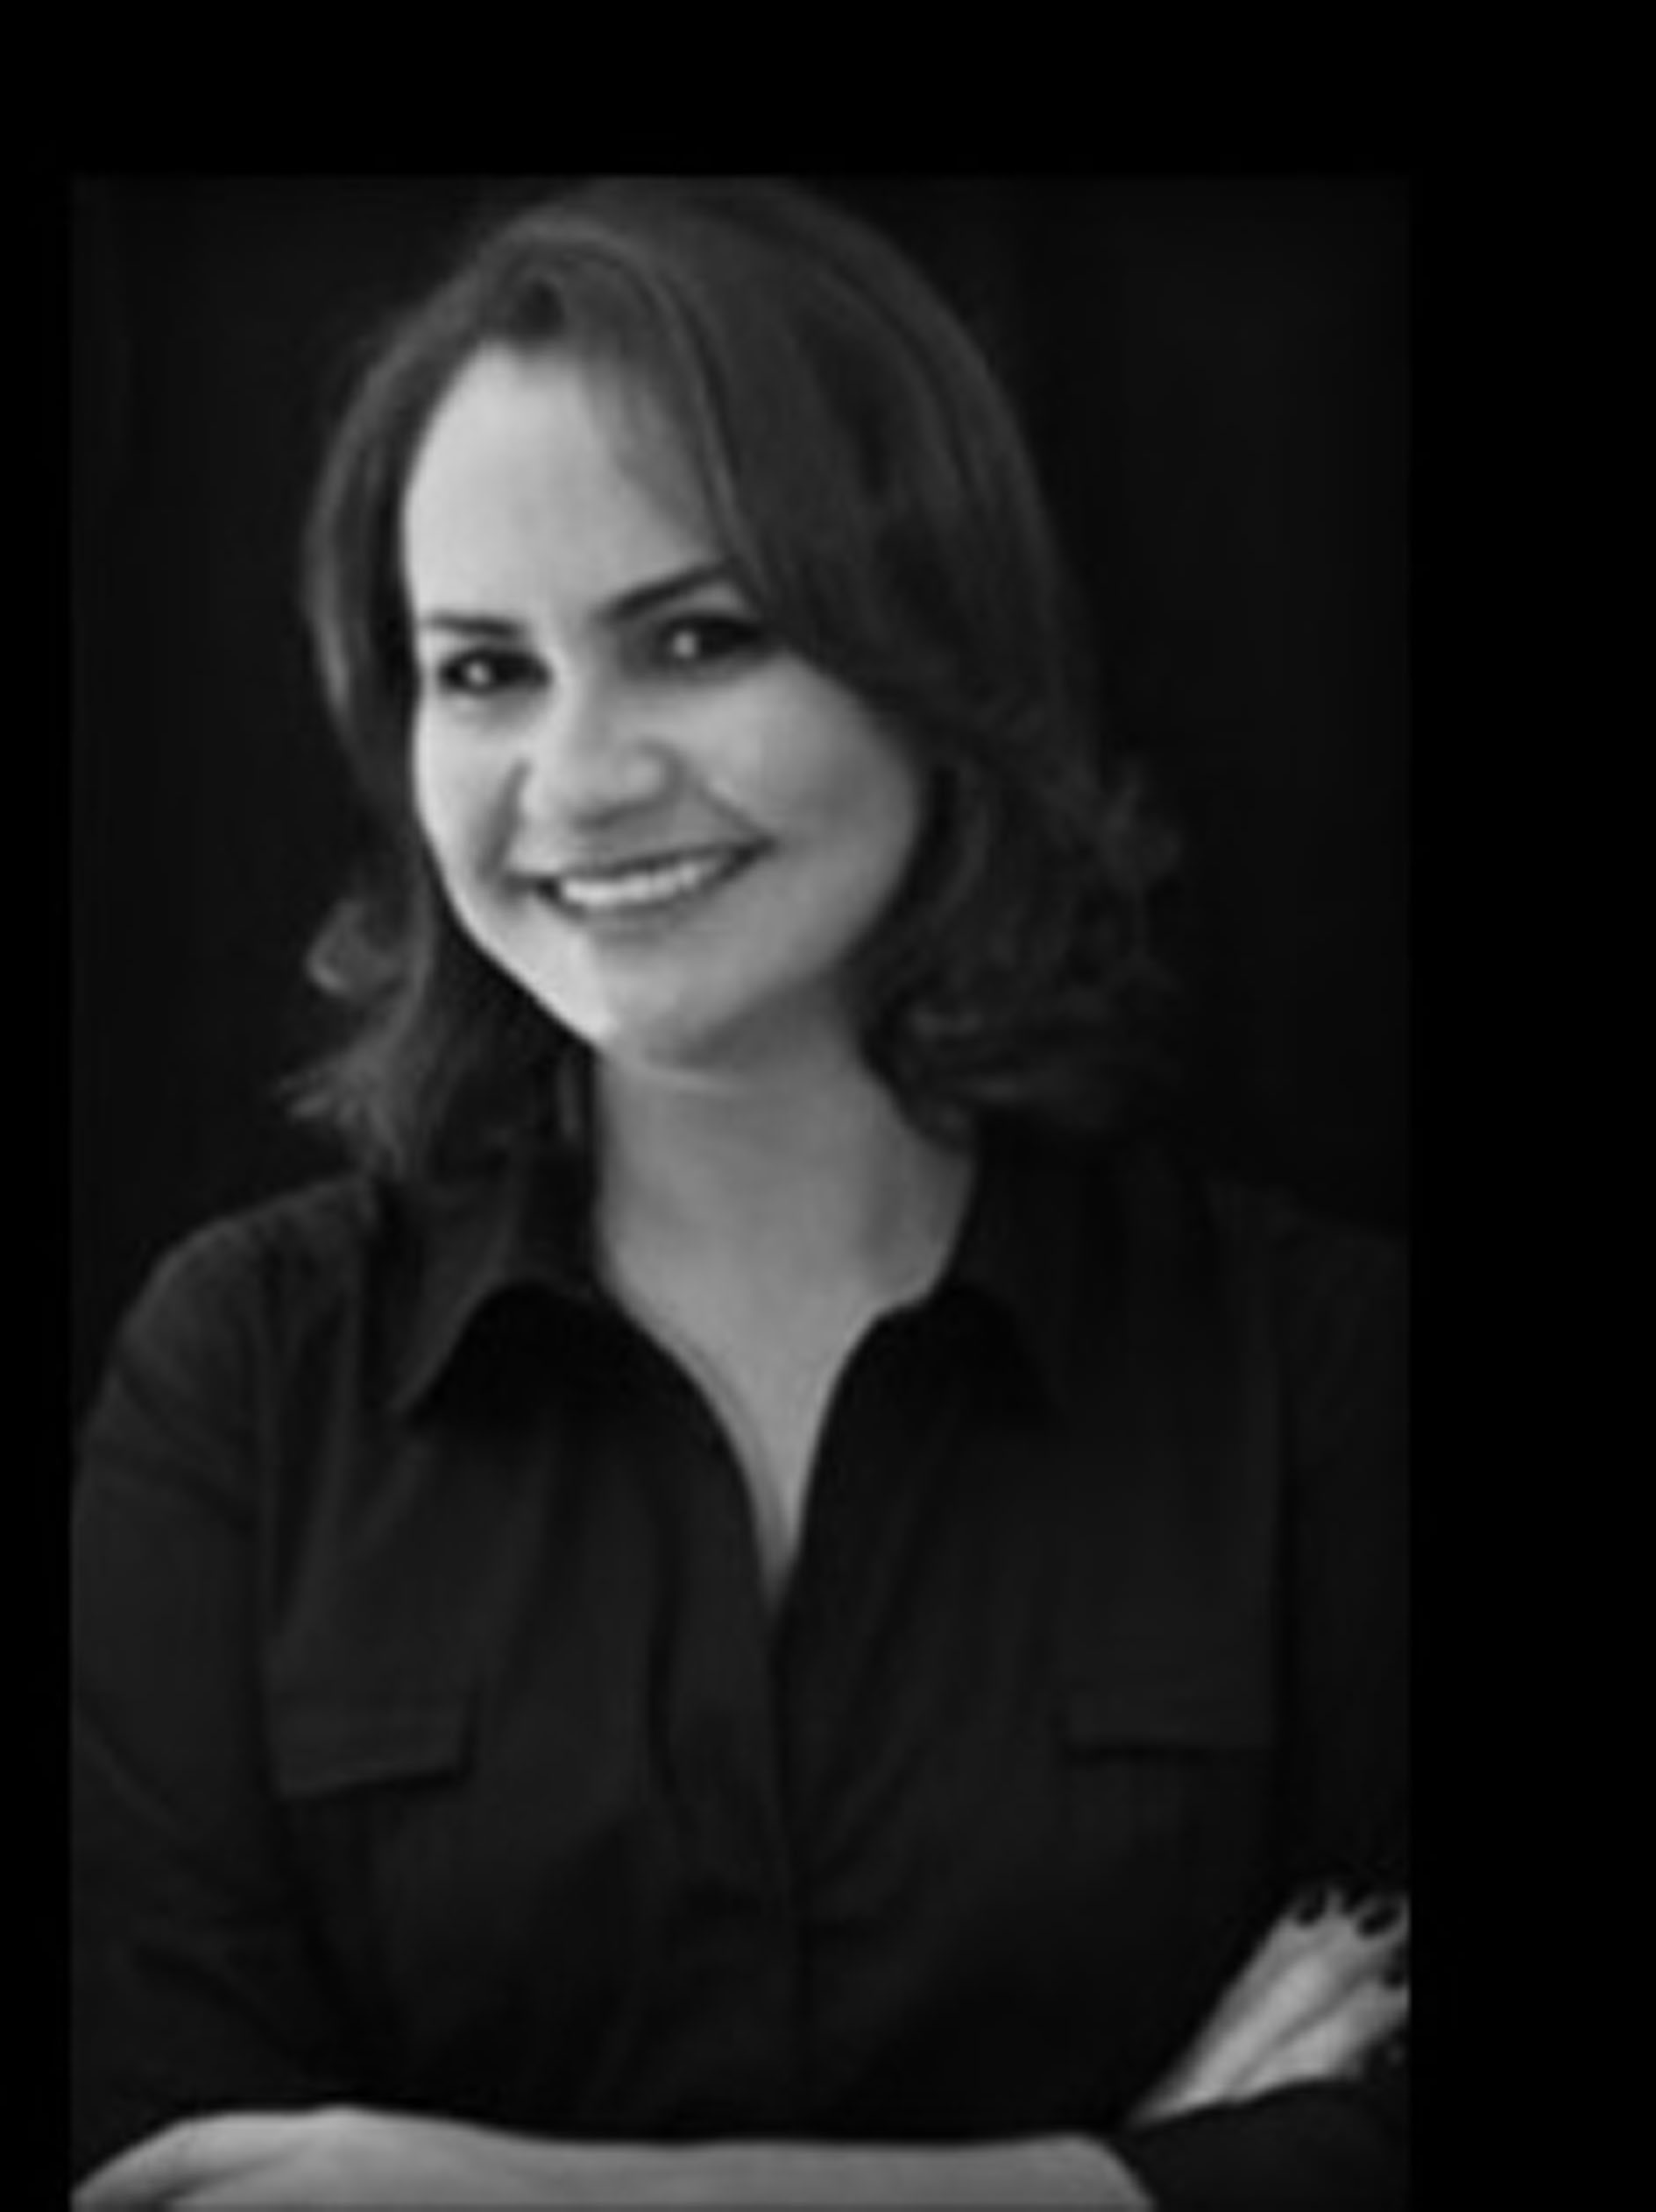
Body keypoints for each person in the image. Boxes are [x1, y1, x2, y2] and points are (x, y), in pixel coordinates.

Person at [71, 176, 1409, 2208]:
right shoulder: (242, 1379)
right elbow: (163, 2176)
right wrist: (1122, 2181)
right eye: (483, 673)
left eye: (695, 638)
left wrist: (503, 2195)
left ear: (935, 652)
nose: (578, 781)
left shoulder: (1318, 1367)